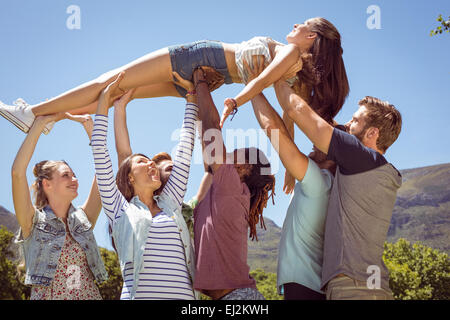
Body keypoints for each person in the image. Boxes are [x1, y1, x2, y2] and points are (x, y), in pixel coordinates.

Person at [0, 18, 348, 137]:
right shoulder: (297, 77)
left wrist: (236, 102)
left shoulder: (289, 55)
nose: (295, 25)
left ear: (312, 39)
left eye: (303, 24)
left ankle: (33, 111)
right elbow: (288, 119)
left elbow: (257, 84)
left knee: (112, 79)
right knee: (123, 94)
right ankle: (49, 118)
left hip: (200, 58)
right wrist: (289, 168)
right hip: (206, 79)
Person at [273, 79, 402, 300]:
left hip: (356, 289)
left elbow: (298, 110)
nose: (347, 124)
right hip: (369, 286)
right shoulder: (376, 171)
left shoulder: (362, 158)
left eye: (355, 120)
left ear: (372, 133)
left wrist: (278, 78)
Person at [91, 72, 198, 300]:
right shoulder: (119, 209)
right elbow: (100, 151)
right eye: (142, 161)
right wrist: (104, 102)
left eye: (151, 161)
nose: (151, 163)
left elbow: (185, 148)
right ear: (130, 177)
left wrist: (191, 97)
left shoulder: (171, 202)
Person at [246, 57, 339, 299]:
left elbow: (276, 134)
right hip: (307, 288)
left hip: (305, 290)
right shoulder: (328, 185)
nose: (314, 142)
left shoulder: (320, 183)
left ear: (333, 154)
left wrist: (253, 86)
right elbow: (286, 136)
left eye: (321, 142)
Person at [188, 68, 275, 300]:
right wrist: (194, 97)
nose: (227, 157)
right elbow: (207, 138)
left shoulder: (234, 188)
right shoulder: (222, 190)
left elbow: (211, 133)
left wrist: (200, 81)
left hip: (238, 299)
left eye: (233, 154)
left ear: (244, 168)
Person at [12, 111, 108, 300]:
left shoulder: (83, 219)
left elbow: (103, 175)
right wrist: (39, 125)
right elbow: (17, 172)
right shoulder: (32, 222)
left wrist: (91, 130)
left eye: (74, 175)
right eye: (66, 175)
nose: (75, 180)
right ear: (46, 184)